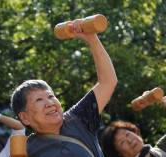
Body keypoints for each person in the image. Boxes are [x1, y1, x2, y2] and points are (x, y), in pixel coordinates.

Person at [10, 19, 118, 156]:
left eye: (51, 96)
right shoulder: (27, 151)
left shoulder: (78, 119)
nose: (49, 103)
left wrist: (91, 38)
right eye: (39, 100)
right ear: (24, 117)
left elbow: (108, 82)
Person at [101, 90, 166, 157]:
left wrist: (157, 100)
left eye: (127, 134)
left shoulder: (159, 149)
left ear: (136, 133)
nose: (129, 140)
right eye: (122, 142)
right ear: (120, 154)